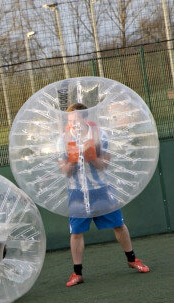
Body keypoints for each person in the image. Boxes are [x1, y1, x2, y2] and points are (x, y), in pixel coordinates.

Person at [59, 103, 149, 287]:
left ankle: (132, 259)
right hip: (77, 192)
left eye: (76, 120)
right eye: (70, 121)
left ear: (85, 119)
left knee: (118, 225)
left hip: (101, 189)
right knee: (76, 233)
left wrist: (91, 155)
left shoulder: (100, 135)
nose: (73, 124)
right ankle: (77, 273)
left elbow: (104, 165)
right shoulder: (62, 140)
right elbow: (65, 171)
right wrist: (74, 159)